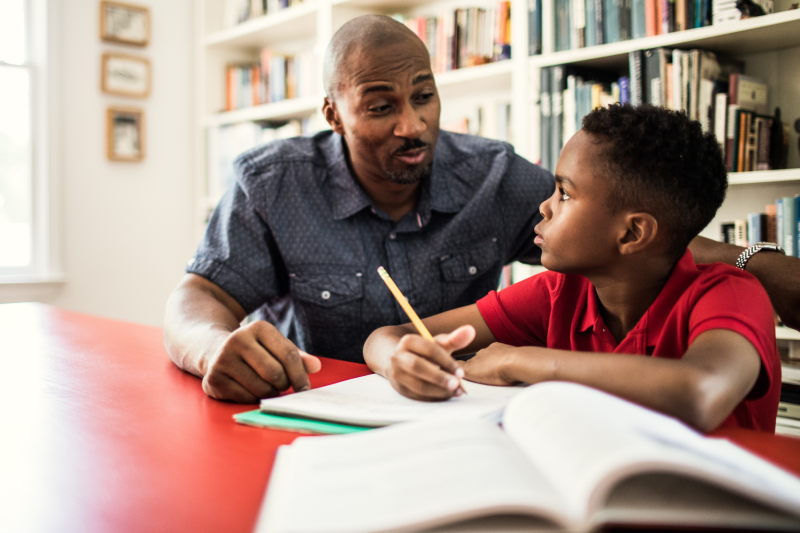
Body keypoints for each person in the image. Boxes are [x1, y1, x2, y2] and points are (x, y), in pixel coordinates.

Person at [165, 14, 800, 405]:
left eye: (424, 96)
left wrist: (759, 265)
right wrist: (209, 348)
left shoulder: (494, 178)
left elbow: (642, 238)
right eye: (382, 106)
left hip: (456, 416)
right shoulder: (272, 182)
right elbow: (198, 299)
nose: (413, 125)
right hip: (317, 412)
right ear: (334, 114)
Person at [364, 104, 780, 433]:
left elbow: (698, 393)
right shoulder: (558, 293)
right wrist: (397, 361)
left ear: (633, 233)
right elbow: (388, 336)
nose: (543, 207)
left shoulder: (732, 294)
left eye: (564, 193)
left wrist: (520, 361)